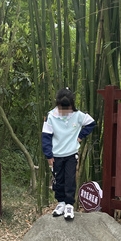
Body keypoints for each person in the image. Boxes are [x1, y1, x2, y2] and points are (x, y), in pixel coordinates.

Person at [42, 88, 96, 220]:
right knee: (58, 179)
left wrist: (81, 136)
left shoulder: (78, 115)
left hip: (71, 153)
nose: (65, 111)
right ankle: (60, 203)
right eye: (63, 108)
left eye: (68, 108)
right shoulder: (51, 116)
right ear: (58, 104)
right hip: (56, 154)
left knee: (70, 179)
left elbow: (91, 123)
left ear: (72, 105)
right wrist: (48, 155)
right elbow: (46, 136)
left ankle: (69, 205)